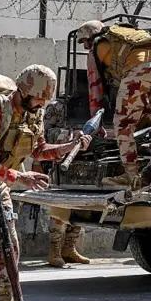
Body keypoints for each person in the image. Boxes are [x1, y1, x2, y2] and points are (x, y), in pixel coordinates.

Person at [0, 65, 91, 301]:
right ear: (24, 91)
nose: (42, 104)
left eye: (45, 99)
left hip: (1, 185)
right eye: (39, 98)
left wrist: (69, 146)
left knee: (10, 246)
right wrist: (20, 177)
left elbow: (39, 150)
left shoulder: (33, 115)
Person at [77, 20, 151, 189]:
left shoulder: (96, 48)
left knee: (123, 125)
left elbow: (95, 89)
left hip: (138, 67)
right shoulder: (123, 37)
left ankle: (131, 176)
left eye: (84, 41)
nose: (85, 46)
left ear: (90, 37)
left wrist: (96, 122)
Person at [37, 97, 91, 267]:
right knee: (60, 207)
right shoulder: (56, 106)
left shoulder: (97, 107)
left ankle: (69, 248)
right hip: (61, 163)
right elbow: (45, 135)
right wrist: (71, 136)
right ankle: (54, 249)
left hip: (86, 162)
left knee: (81, 206)